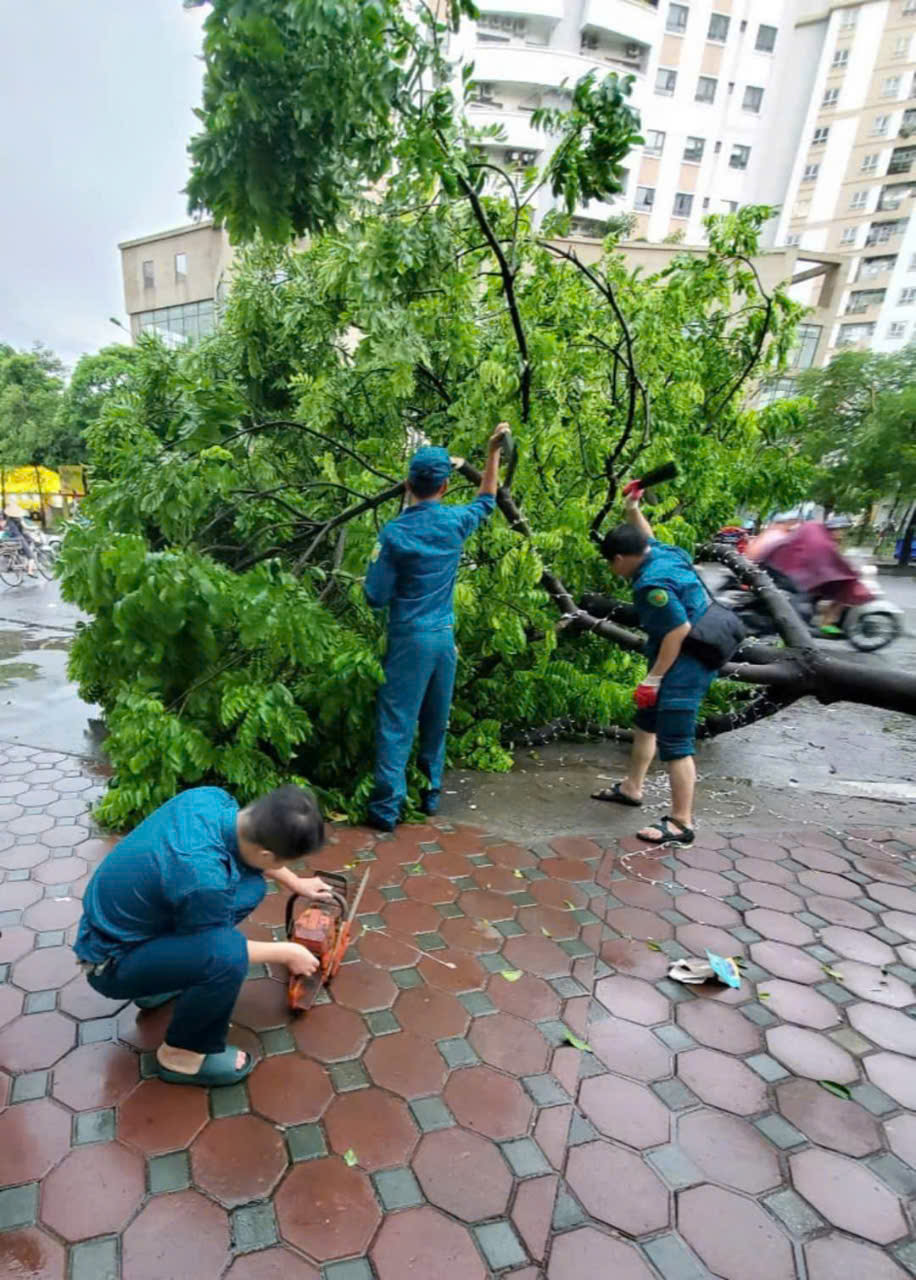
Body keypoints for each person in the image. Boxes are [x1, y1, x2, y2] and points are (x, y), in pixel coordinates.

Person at [74, 784, 332, 1087]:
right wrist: (288, 952)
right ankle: (182, 1055)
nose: (285, 868)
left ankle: (159, 981)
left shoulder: (212, 799)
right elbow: (222, 949)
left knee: (249, 888)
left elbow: (249, 856)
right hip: (111, 963)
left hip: (122, 928)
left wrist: (296, 883)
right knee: (227, 958)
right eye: (283, 862)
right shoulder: (203, 879)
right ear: (266, 853)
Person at [364, 423, 510, 831]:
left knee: (396, 723)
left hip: (409, 638)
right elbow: (486, 500)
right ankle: (430, 795)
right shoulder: (454, 523)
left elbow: (374, 596)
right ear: (445, 487)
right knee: (435, 720)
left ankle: (385, 811)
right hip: (443, 638)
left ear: (408, 482)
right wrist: (492, 452)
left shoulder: (393, 534)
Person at [588, 489, 715, 847]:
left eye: (611, 564)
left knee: (675, 739)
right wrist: (632, 508)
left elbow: (678, 631)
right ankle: (632, 787)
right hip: (678, 650)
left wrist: (654, 678)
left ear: (619, 559)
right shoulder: (659, 552)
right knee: (646, 721)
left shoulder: (650, 585)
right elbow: (647, 534)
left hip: (689, 659)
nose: (614, 572)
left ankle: (681, 823)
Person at [0, 510, 38, 577]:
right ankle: (30, 571)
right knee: (31, 556)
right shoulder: (17, 520)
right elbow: (26, 527)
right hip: (19, 539)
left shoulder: (6, 521)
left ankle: (20, 570)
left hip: (9, 539)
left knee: (25, 544)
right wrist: (35, 528)